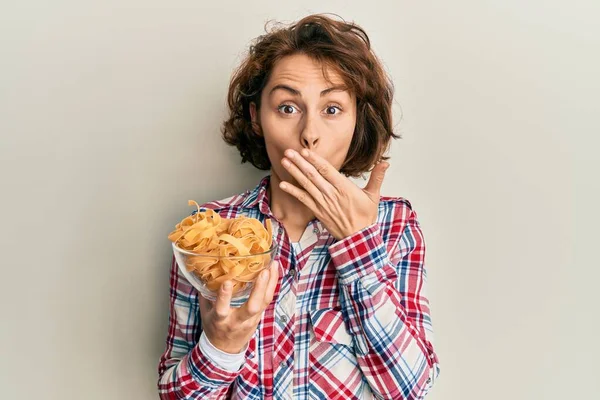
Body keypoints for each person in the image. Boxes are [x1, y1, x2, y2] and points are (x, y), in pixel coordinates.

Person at [157, 13, 440, 400]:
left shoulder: (393, 225)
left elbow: (409, 390)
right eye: (288, 108)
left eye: (332, 109)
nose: (309, 134)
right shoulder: (208, 233)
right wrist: (221, 346)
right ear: (257, 117)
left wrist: (358, 243)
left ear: (357, 120)